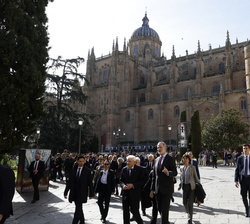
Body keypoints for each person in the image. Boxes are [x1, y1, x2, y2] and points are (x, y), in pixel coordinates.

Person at [150, 141, 177, 224]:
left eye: (160, 147)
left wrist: (168, 173)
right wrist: (152, 189)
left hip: (166, 189)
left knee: (164, 211)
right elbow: (154, 176)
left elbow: (175, 172)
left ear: (165, 148)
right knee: (160, 209)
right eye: (158, 147)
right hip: (158, 190)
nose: (159, 148)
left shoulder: (170, 158)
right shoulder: (156, 160)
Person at [64, 155, 94, 224]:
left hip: (82, 193)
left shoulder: (87, 171)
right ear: (77, 161)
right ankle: (82, 221)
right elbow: (69, 182)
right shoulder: (73, 170)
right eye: (80, 161)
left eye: (83, 161)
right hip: (74, 193)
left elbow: (90, 183)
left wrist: (91, 193)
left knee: (78, 209)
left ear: (84, 162)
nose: (81, 163)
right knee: (79, 208)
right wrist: (66, 192)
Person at [120, 155, 145, 224]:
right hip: (125, 194)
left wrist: (133, 185)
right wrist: (123, 185)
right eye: (127, 161)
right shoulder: (124, 169)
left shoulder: (139, 169)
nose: (128, 162)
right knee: (125, 212)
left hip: (135, 195)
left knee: (135, 212)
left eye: (129, 161)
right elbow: (120, 181)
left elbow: (143, 181)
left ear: (134, 162)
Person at [179, 154, 200, 224]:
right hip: (184, 187)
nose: (185, 160)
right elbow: (181, 178)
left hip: (191, 187)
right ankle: (188, 213)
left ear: (189, 160)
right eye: (183, 159)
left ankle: (190, 219)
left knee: (190, 203)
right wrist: (180, 185)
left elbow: (196, 177)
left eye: (186, 159)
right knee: (184, 202)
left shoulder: (192, 168)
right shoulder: (181, 168)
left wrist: (199, 186)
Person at [235, 144, 250, 217]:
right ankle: (247, 209)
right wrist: (236, 180)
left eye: (246, 148)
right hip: (243, 179)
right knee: (243, 195)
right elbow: (237, 169)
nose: (245, 150)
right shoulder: (240, 158)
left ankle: (249, 210)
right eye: (244, 148)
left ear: (249, 149)